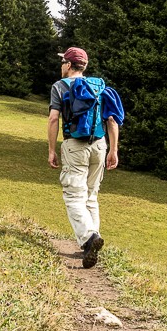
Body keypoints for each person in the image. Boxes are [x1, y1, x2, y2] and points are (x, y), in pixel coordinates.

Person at [47, 46, 124, 268]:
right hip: (99, 146)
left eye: (63, 62)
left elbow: (53, 119)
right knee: (91, 196)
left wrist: (52, 149)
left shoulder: (59, 87)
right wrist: (113, 149)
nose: (62, 65)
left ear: (69, 65)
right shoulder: (98, 86)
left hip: (75, 146)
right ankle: (93, 240)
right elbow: (112, 120)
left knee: (73, 196)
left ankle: (89, 238)